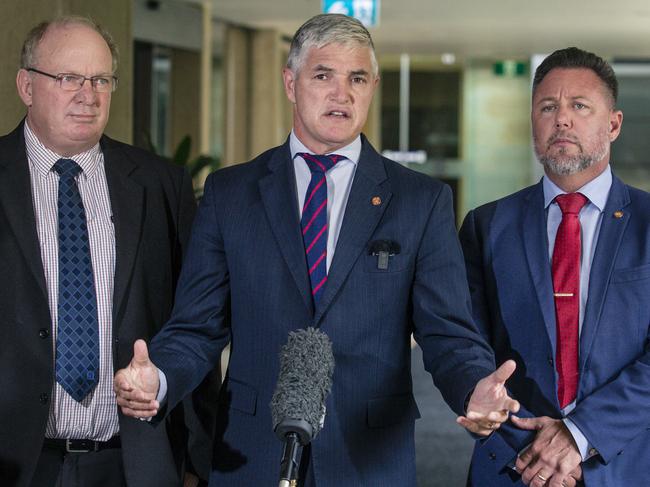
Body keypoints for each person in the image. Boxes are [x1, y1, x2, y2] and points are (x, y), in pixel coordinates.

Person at [114, 13, 519, 486]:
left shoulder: (419, 201)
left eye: (357, 78)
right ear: (291, 83)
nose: (341, 93)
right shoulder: (231, 193)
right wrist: (157, 380)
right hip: (251, 453)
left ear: (372, 88)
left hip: (368, 458)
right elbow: (196, 326)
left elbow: (447, 331)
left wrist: (475, 386)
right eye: (323, 75)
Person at [0, 16, 216, 487]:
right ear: (26, 86)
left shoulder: (161, 185)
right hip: (15, 461)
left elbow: (196, 319)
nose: (89, 94)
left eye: (101, 79)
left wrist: (198, 459)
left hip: (134, 463)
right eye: (69, 78)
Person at [460, 47, 650, 487]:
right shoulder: (487, 225)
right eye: (548, 107)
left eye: (579, 106)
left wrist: (580, 435)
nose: (561, 119)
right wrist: (529, 446)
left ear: (614, 124)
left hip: (626, 464)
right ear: (534, 123)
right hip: (513, 463)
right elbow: (466, 343)